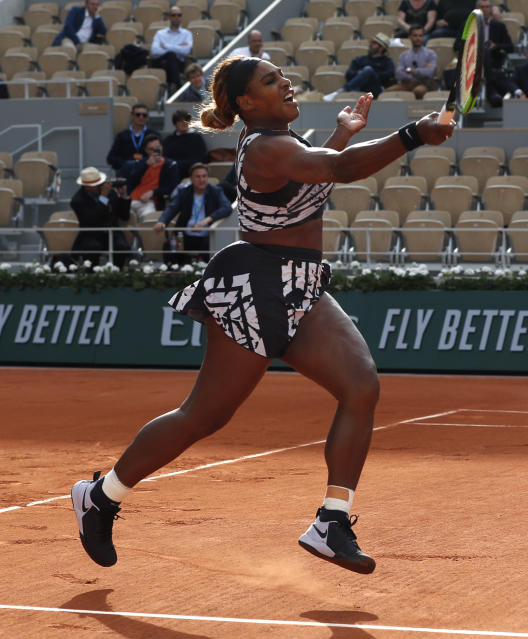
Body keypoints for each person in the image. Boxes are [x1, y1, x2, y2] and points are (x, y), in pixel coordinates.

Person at [69, 56, 454, 574]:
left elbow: (316, 178)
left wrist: (341, 133)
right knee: (205, 415)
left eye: (283, 76)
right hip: (255, 283)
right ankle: (101, 495)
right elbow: (336, 172)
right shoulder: (267, 147)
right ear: (247, 103)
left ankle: (331, 521)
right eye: (271, 81)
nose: (287, 82)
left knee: (361, 385)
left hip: (301, 283)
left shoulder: (288, 149)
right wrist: (413, 133)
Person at [153, 162, 232, 261]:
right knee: (169, 246)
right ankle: (175, 274)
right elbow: (171, 208)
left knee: (209, 248)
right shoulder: (184, 192)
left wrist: (206, 220)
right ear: (191, 179)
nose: (202, 180)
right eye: (198, 177)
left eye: (204, 176)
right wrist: (162, 221)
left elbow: (227, 208)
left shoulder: (216, 191)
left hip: (206, 235)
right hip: (186, 234)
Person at [69, 166, 131, 266]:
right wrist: (103, 198)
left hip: (111, 232)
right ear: (87, 187)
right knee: (92, 248)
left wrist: (123, 196)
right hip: (91, 233)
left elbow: (124, 216)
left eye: (100, 183)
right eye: (96, 185)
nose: (100, 186)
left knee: (122, 247)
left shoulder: (110, 193)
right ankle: (92, 275)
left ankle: (118, 274)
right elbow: (92, 220)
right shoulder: (78, 200)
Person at [119, 134, 180, 220]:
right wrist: (146, 165)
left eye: (158, 148)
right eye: (151, 149)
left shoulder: (170, 165)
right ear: (146, 151)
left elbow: (172, 187)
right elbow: (131, 180)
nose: (156, 151)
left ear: (162, 147)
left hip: (150, 201)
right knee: (121, 214)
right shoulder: (142, 163)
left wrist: (153, 192)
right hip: (133, 199)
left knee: (148, 219)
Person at [324, 33, 395, 101]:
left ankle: (341, 91)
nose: (370, 44)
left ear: (381, 48)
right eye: (371, 42)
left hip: (376, 89)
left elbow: (390, 74)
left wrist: (370, 74)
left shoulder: (387, 61)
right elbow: (349, 74)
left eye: (374, 43)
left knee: (368, 70)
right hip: (360, 87)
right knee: (367, 71)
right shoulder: (360, 59)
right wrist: (359, 74)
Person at [476, 0, 515, 107]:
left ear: (491, 9)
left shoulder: (499, 26)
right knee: (483, 50)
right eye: (481, 7)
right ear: (477, 9)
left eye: (487, 7)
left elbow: (510, 47)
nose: (484, 10)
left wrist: (496, 46)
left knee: (486, 52)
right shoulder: (468, 26)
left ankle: (490, 88)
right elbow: (457, 45)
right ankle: (491, 89)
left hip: (493, 60)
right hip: (472, 59)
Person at [385, 26, 437, 99]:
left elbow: (430, 73)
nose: (418, 38)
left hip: (423, 84)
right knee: (387, 91)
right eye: (415, 35)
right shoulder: (403, 55)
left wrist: (409, 70)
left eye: (420, 36)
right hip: (406, 84)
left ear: (423, 37)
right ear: (409, 37)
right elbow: (398, 74)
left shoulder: (431, 54)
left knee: (419, 91)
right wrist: (420, 72)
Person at [149, 5, 194, 91]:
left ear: (181, 16)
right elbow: (154, 50)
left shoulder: (187, 34)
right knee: (170, 55)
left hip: (178, 64)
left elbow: (186, 51)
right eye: (174, 15)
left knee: (171, 56)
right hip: (161, 62)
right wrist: (179, 47)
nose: (176, 17)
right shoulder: (160, 33)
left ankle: (172, 87)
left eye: (179, 15)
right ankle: (177, 85)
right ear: (169, 17)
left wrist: (166, 46)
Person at [106, 103, 160, 171]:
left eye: (144, 115)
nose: (141, 117)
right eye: (138, 115)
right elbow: (111, 158)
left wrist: (144, 163)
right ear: (132, 115)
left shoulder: (155, 135)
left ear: (148, 117)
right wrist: (127, 164)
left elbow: (160, 156)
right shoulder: (122, 135)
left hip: (148, 172)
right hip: (127, 173)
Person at [163, 109, 208, 180]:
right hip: (171, 172)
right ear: (175, 123)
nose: (184, 123)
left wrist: (178, 164)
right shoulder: (169, 139)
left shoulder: (196, 138)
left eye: (187, 120)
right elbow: (164, 157)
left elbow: (200, 158)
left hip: (191, 173)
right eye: (181, 121)